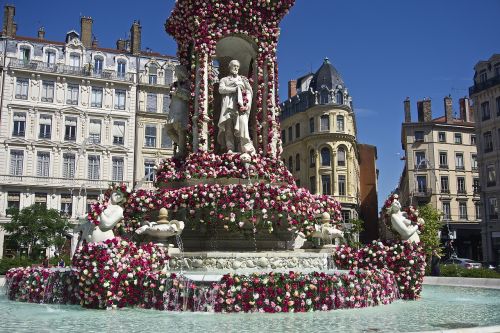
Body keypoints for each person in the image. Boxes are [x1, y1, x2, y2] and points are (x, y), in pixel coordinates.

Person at [217, 59, 255, 154]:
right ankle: (230, 147)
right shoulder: (224, 79)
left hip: (239, 107)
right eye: (234, 66)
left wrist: (246, 102)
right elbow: (221, 89)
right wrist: (234, 89)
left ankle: (241, 147)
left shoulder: (242, 79)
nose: (236, 68)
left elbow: (249, 91)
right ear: (229, 67)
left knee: (240, 126)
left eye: (237, 66)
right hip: (228, 106)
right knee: (228, 127)